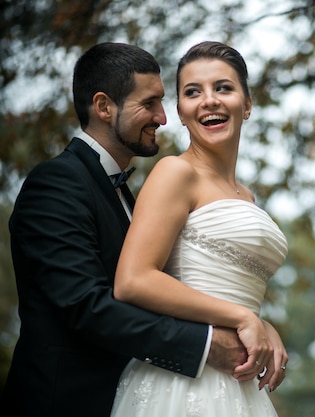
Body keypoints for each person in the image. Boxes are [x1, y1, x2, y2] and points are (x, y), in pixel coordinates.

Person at [1, 42, 254, 417]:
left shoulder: (125, 194)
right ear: (104, 107)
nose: (163, 118)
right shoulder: (56, 182)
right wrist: (204, 344)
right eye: (149, 103)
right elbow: (86, 305)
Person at [109, 41, 289, 417]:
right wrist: (244, 318)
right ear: (181, 111)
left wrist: (262, 323)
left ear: (248, 103)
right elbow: (133, 280)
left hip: (239, 384)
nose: (209, 100)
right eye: (193, 92)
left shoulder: (247, 195)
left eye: (223, 87)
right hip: (180, 381)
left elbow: (224, 286)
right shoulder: (176, 173)